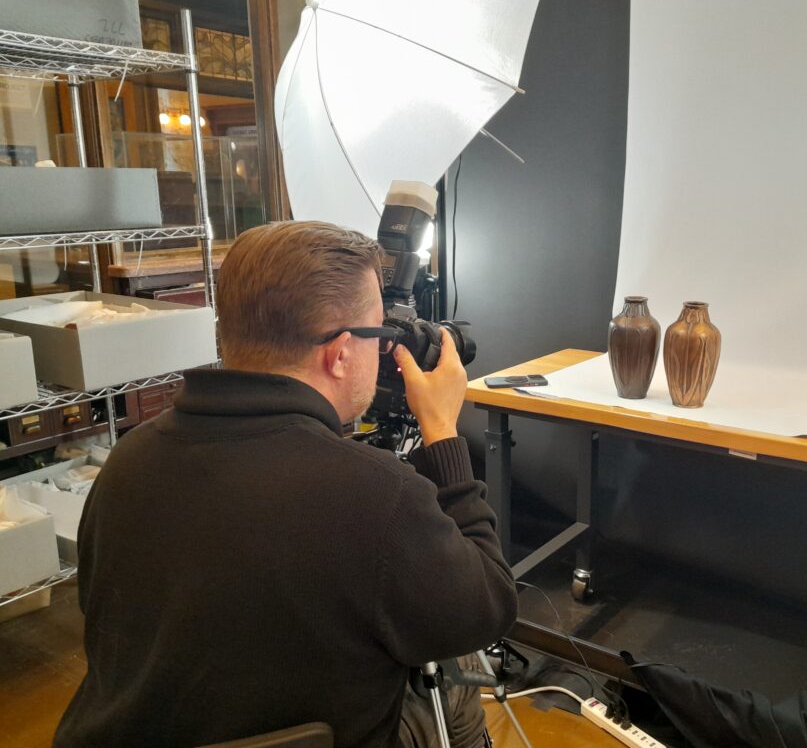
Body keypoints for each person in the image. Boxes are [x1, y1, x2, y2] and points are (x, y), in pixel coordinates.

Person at [53, 221, 518, 748]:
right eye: (380, 333)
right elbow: (488, 606)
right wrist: (442, 432)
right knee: (453, 676)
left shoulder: (127, 460)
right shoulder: (377, 494)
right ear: (341, 353)